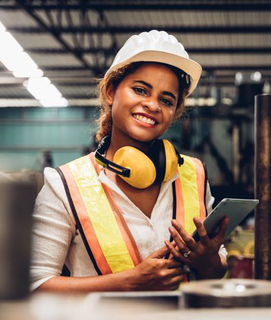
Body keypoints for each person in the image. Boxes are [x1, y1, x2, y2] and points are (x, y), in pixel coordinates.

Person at [30, 30, 228, 292]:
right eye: (140, 90)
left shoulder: (194, 174)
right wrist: (129, 282)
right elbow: (35, 285)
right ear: (111, 91)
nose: (152, 105)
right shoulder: (64, 185)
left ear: (174, 112)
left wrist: (211, 263)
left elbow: (218, 267)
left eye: (166, 100)